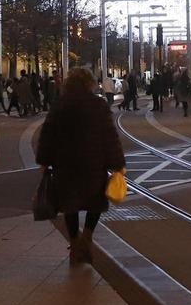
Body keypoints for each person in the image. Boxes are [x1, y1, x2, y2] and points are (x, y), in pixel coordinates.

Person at [36, 68, 127, 264]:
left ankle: (75, 242)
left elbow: (47, 134)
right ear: (90, 83)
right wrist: (118, 163)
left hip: (65, 164)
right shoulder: (99, 105)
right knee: (95, 202)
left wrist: (44, 161)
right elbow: (110, 136)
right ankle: (87, 235)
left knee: (70, 205)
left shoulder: (60, 104)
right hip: (93, 163)